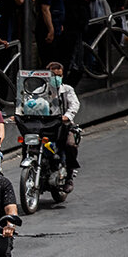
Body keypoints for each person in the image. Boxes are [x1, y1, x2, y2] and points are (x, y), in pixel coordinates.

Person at [47, 61, 81, 191]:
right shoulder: (40, 91)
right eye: (53, 75)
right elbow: (30, 103)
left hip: (64, 127)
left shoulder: (67, 89)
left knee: (70, 145)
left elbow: (74, 104)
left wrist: (67, 116)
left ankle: (70, 176)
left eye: (59, 75)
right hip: (45, 127)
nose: (56, 78)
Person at [35, 0, 68, 66]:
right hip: (48, 29)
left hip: (57, 26)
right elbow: (45, 9)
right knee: (49, 60)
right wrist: (51, 29)